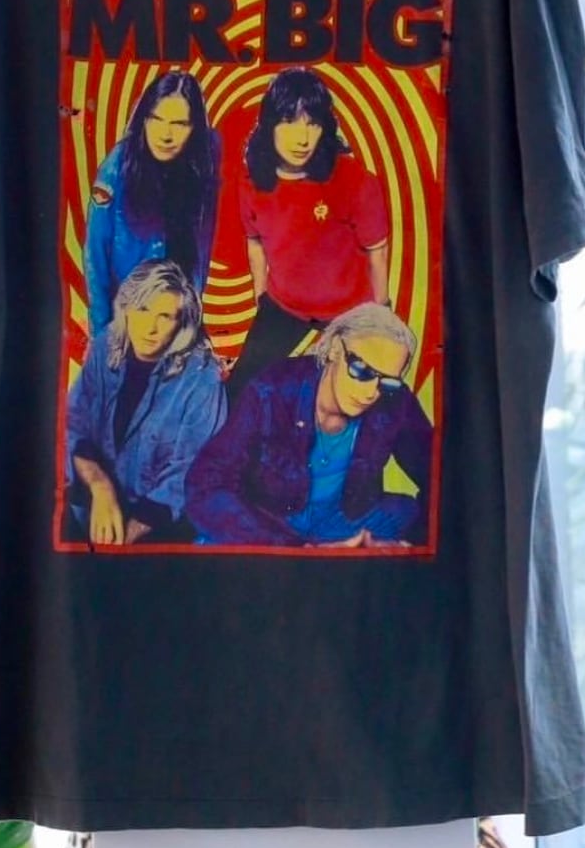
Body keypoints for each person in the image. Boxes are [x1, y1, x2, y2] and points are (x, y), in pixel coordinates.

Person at [185, 302, 431, 547]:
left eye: (387, 382)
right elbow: (207, 482)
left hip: (348, 522)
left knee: (406, 511)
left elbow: (438, 472)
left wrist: (404, 544)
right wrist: (290, 548)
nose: (371, 393)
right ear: (335, 349)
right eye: (362, 371)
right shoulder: (272, 389)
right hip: (274, 523)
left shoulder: (395, 400)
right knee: (210, 541)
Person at [226, 67, 390, 402]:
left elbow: (378, 250)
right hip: (285, 305)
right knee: (240, 388)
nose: (302, 138)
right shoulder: (252, 181)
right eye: (289, 121)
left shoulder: (354, 178)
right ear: (270, 125)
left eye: (312, 123)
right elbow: (254, 241)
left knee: (371, 395)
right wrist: (262, 298)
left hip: (349, 310)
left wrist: (380, 313)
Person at [65, 259, 227, 545]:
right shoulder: (105, 345)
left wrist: (126, 538)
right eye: (142, 309)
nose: (150, 328)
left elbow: (194, 470)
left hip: (156, 529)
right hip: (89, 509)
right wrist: (100, 486)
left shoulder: (203, 377)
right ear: (126, 309)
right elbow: (73, 424)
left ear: (182, 323)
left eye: (165, 316)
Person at [84, 70, 220, 337]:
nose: (165, 135)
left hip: (182, 312)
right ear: (143, 119)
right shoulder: (117, 167)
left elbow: (202, 243)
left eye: (179, 124)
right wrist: (102, 334)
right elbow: (95, 253)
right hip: (132, 316)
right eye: (156, 119)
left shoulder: (204, 160)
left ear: (194, 129)